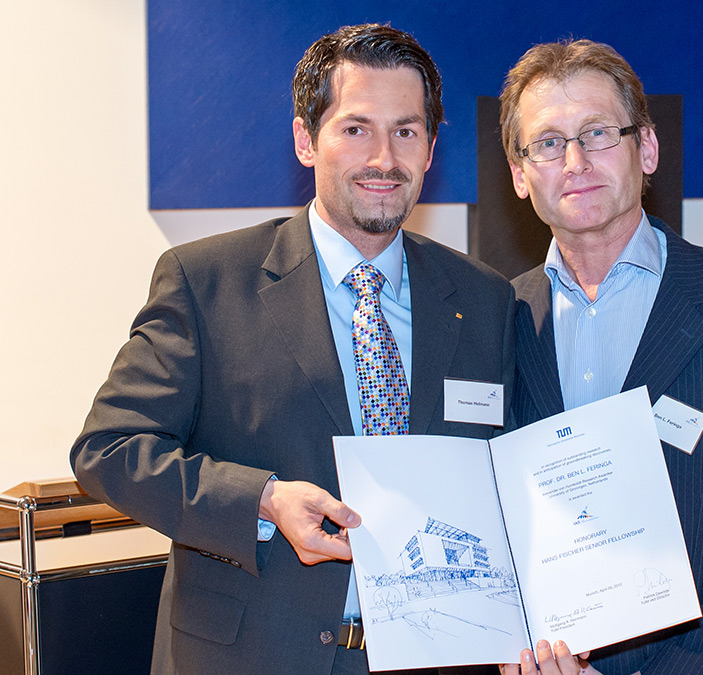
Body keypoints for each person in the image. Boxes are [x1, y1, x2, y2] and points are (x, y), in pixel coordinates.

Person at [71, 24, 514, 675]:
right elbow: (107, 450)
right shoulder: (207, 281)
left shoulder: (484, 299)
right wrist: (263, 499)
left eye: (406, 130)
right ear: (307, 139)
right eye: (356, 128)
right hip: (251, 655)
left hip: (435, 657)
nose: (383, 157)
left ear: (430, 148)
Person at [497, 39, 703, 675]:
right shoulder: (495, 321)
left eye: (597, 133)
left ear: (646, 148)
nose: (574, 161)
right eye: (547, 142)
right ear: (518, 173)